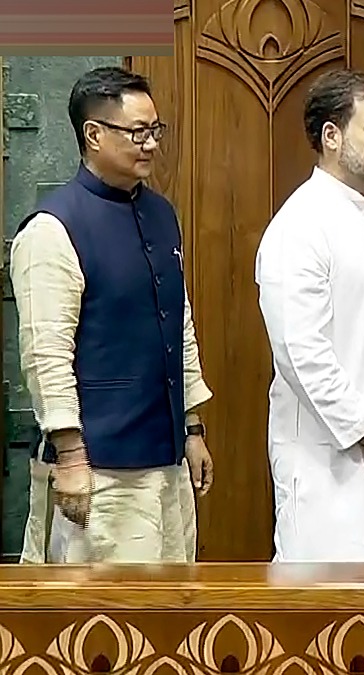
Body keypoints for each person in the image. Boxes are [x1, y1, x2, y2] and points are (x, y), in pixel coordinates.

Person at [10, 66, 214, 564]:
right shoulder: (53, 229)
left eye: (155, 130)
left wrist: (192, 429)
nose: (151, 144)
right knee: (100, 609)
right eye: (137, 132)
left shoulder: (161, 214)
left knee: (170, 605)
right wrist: (71, 456)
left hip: (165, 463)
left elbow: (178, 323)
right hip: (97, 472)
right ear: (94, 135)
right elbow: (46, 355)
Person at [255, 69, 364, 562]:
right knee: (329, 603)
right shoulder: (300, 225)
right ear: (332, 136)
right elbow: (301, 353)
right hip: (326, 463)